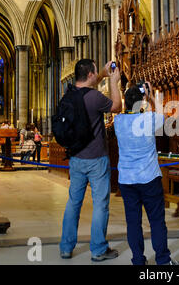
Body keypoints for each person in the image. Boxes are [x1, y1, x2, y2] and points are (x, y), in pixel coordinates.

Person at [59, 59, 122, 262]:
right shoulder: (94, 97)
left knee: (73, 203)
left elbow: (90, 84)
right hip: (96, 159)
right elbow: (116, 107)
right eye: (96, 72)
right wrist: (113, 80)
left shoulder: (67, 95)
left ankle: (66, 247)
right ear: (90, 75)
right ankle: (98, 249)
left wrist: (103, 73)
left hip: (76, 158)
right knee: (100, 205)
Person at [114, 82, 179, 265]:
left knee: (133, 222)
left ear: (125, 102)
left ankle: (138, 260)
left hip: (127, 180)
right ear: (141, 101)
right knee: (157, 221)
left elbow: (121, 110)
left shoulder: (118, 121)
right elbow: (162, 114)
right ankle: (163, 260)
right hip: (149, 177)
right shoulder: (149, 119)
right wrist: (150, 97)